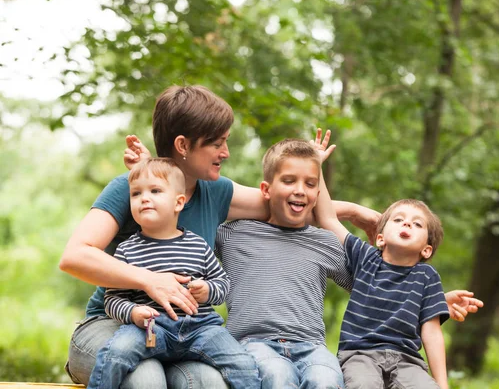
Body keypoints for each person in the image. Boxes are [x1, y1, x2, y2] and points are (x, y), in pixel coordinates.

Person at [59, 84, 383, 389]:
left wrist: (356, 212)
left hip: (183, 333)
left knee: (209, 383)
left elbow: (286, 205)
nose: (225, 152)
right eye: (217, 143)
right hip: (115, 324)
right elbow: (76, 256)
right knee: (147, 378)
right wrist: (148, 280)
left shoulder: (215, 192)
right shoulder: (130, 188)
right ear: (183, 145)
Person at [86, 157, 261, 389]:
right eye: (136, 194)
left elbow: (223, 283)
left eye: (155, 191)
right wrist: (133, 312)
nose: (144, 198)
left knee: (243, 363)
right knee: (115, 352)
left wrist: (208, 290)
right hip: (150, 328)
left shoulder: (198, 245)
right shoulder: (127, 249)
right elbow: (112, 299)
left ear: (178, 203)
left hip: (201, 328)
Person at [215, 138, 352, 388]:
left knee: (327, 380)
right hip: (252, 342)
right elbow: (192, 217)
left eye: (309, 184)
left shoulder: (324, 242)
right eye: (289, 181)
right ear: (265, 190)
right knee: (278, 376)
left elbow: (368, 286)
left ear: (317, 196)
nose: (300, 190)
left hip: (311, 346)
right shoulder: (233, 233)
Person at [314, 139, 451, 388]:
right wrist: (316, 166)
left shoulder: (427, 276)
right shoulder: (365, 257)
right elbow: (327, 218)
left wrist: (442, 384)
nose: (407, 224)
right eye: (398, 219)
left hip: (408, 361)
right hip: (359, 355)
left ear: (427, 249)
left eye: (417, 224)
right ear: (379, 237)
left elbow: (431, 333)